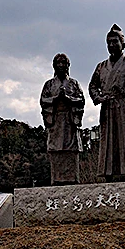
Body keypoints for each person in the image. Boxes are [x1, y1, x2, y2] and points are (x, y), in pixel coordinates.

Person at [89, 24, 125, 182]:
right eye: (108, 42)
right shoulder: (101, 66)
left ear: (123, 44)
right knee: (109, 141)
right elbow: (92, 86)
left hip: (124, 106)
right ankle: (109, 173)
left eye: (115, 42)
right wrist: (99, 98)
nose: (111, 45)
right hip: (107, 107)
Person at [40, 53, 85, 185]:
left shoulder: (73, 83)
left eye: (63, 63)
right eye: (58, 63)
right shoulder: (49, 84)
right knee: (56, 148)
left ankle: (72, 178)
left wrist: (68, 98)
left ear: (68, 66)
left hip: (70, 121)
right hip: (56, 120)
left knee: (71, 148)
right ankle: (57, 179)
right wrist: (56, 99)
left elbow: (81, 100)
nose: (61, 66)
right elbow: (43, 100)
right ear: (54, 66)